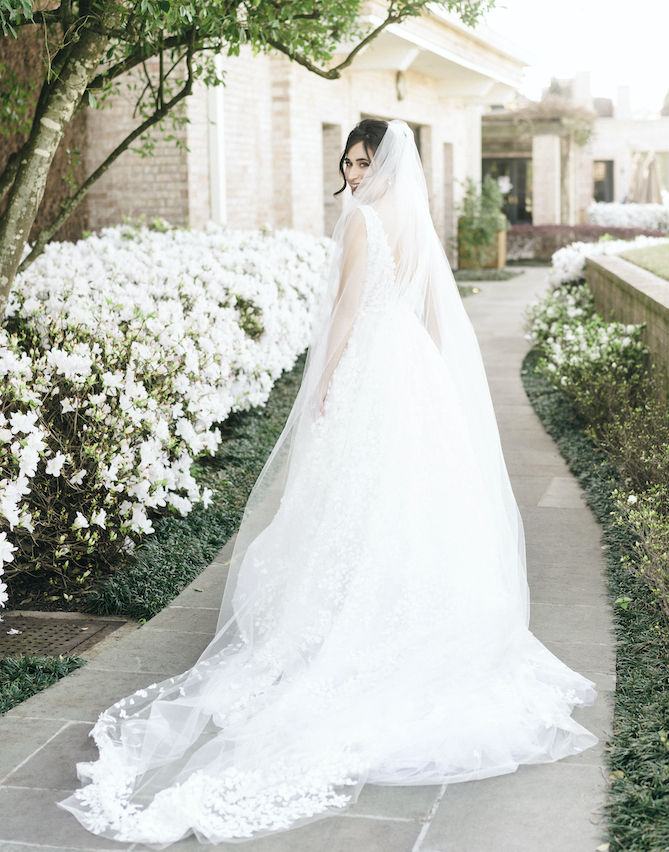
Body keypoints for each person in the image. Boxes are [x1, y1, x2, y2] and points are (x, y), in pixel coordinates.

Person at [59, 119, 597, 847]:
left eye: (361, 162)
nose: (351, 174)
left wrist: (325, 381)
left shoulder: (361, 222)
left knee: (362, 498)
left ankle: (354, 631)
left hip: (373, 366)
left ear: (382, 167)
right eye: (345, 162)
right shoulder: (410, 219)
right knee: (404, 503)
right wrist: (430, 381)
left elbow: (344, 312)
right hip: (409, 368)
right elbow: (434, 314)